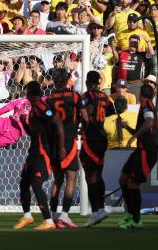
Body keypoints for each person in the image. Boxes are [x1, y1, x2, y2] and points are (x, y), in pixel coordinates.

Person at [13, 81, 65, 231]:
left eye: (26, 91)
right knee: (24, 183)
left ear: (30, 93)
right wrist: (24, 124)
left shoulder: (42, 107)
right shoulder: (33, 110)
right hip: (33, 152)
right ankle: (28, 216)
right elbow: (33, 133)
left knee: (36, 183)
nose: (24, 94)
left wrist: (60, 148)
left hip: (43, 152)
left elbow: (58, 123)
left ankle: (48, 221)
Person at [46, 68, 88, 229]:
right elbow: (84, 116)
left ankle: (52, 216)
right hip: (69, 143)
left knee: (57, 179)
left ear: (55, 81)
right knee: (71, 178)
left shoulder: (49, 99)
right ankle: (64, 216)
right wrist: (82, 129)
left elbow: (48, 120)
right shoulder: (75, 96)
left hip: (54, 143)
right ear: (67, 80)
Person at [118, 84, 158, 230]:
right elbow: (145, 127)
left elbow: (149, 122)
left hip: (147, 151)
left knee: (132, 184)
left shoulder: (146, 105)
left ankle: (136, 219)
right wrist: (128, 128)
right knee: (123, 179)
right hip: (141, 149)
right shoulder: (146, 105)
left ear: (141, 94)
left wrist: (132, 137)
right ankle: (130, 216)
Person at [80, 71, 109, 227]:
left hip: (90, 139)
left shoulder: (85, 97)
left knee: (90, 176)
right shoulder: (104, 96)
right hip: (102, 139)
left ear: (86, 82)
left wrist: (83, 126)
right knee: (98, 174)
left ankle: (96, 212)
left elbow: (86, 113)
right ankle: (101, 208)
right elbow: (112, 110)